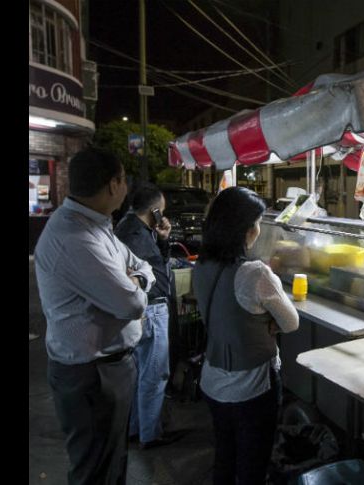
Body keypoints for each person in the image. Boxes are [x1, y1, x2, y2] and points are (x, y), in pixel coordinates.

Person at [35, 146, 155, 485]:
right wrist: (133, 282)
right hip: (91, 375)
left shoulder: (95, 225)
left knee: (111, 462)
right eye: (124, 180)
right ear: (114, 184)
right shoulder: (76, 238)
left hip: (106, 368)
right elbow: (131, 304)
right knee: (95, 471)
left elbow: (141, 267)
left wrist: (136, 278)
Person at [192, 186, 299, 485]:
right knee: (253, 464)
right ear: (246, 228)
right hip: (252, 388)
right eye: (258, 222)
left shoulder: (202, 264)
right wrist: (267, 319)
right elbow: (291, 322)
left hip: (213, 381)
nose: (259, 229)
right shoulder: (254, 273)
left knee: (225, 457)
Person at [114, 182, 182, 450]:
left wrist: (163, 240)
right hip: (151, 311)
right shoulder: (134, 236)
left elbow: (154, 265)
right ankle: (150, 435)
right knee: (155, 374)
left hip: (146, 310)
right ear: (154, 210)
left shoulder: (133, 228)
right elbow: (131, 277)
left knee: (142, 372)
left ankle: (136, 429)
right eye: (161, 211)